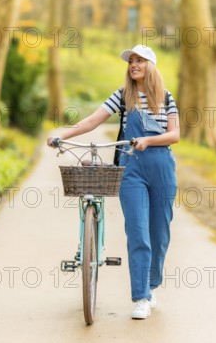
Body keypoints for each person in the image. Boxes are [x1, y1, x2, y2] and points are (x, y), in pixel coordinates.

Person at [47, 44, 179, 319]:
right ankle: (141, 296)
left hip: (162, 168)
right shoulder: (122, 97)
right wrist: (63, 134)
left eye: (139, 61)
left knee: (160, 233)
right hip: (131, 170)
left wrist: (149, 140)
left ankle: (152, 284)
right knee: (138, 232)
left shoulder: (166, 98)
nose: (133, 65)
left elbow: (174, 135)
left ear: (150, 66)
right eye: (131, 61)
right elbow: (93, 121)